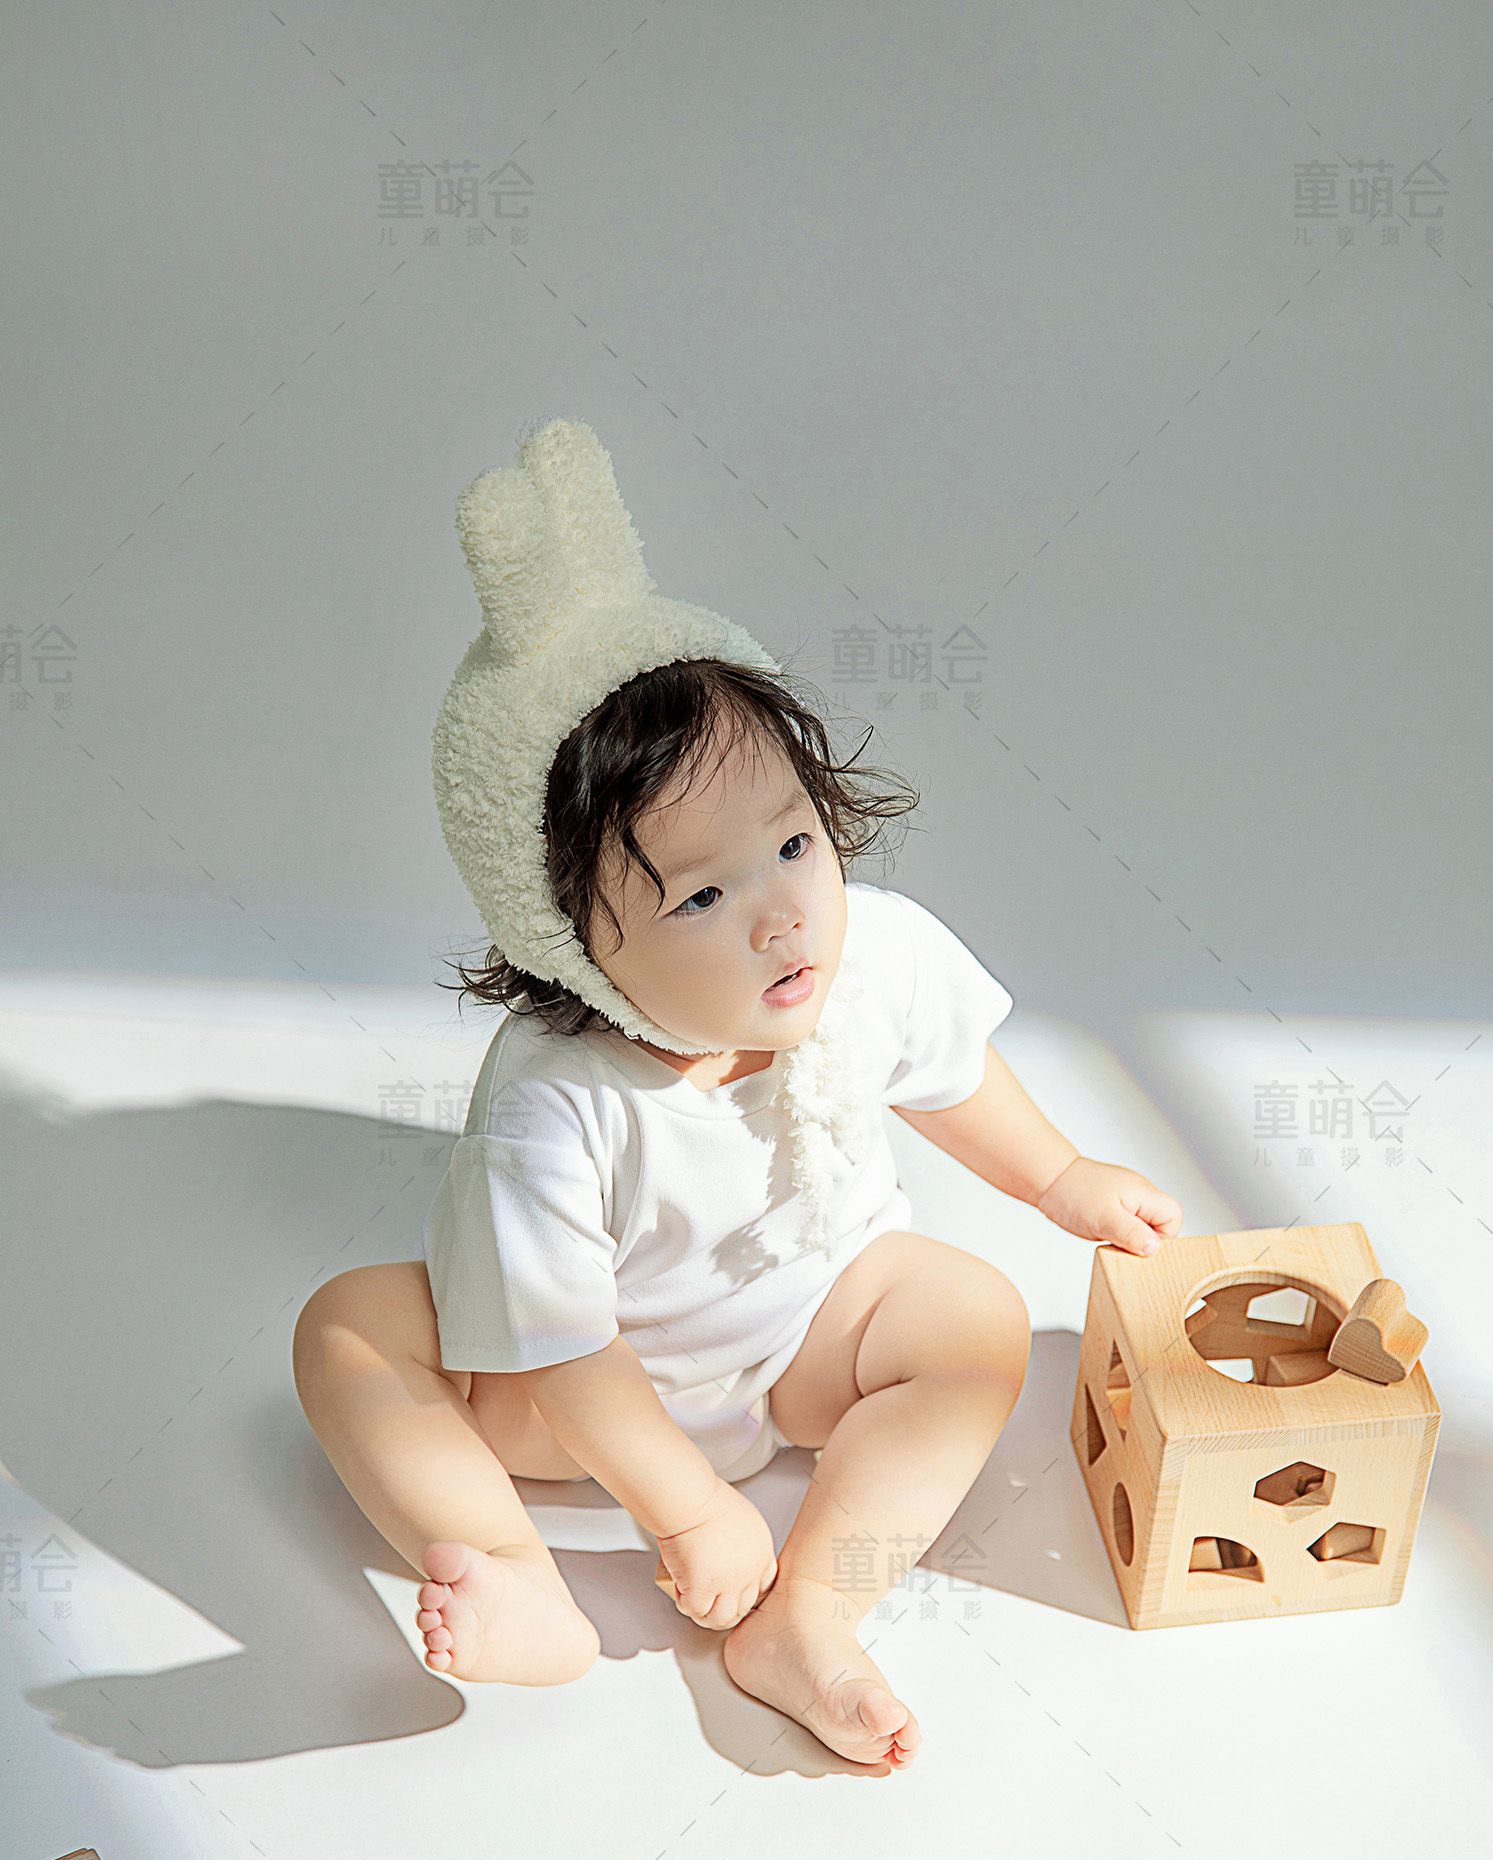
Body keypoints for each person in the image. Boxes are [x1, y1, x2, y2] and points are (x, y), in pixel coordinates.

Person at [292, 420, 1183, 1775]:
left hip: (809, 1338)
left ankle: (812, 1614)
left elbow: (952, 1072)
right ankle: (513, 1572)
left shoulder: (863, 954)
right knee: (350, 1332)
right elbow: (562, 1345)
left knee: (974, 1319)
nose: (781, 916)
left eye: (793, 843)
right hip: (572, 1403)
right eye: (701, 895)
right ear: (568, 943)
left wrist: (1058, 1179)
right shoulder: (554, 1102)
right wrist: (686, 1507)